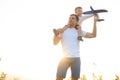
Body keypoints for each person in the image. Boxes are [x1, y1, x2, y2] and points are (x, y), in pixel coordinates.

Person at [53, 14, 98, 80]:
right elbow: (55, 43)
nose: (70, 19)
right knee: (58, 78)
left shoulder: (79, 31)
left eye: (73, 18)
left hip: (76, 59)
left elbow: (93, 35)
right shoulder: (63, 30)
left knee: (75, 79)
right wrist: (55, 34)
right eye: (69, 18)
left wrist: (95, 22)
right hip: (64, 58)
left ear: (77, 21)